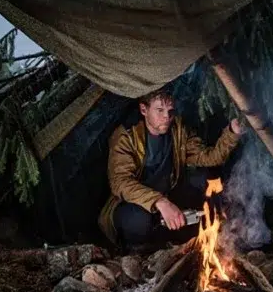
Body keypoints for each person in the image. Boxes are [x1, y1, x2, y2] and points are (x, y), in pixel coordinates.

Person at [97, 87, 244, 252]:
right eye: (159, 110)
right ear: (144, 110)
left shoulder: (177, 130)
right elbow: (120, 182)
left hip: (168, 196)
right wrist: (160, 202)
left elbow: (208, 157)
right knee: (139, 221)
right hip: (132, 204)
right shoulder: (126, 136)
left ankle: (183, 240)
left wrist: (232, 132)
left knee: (203, 179)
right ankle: (137, 252)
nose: (166, 116)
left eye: (170, 110)